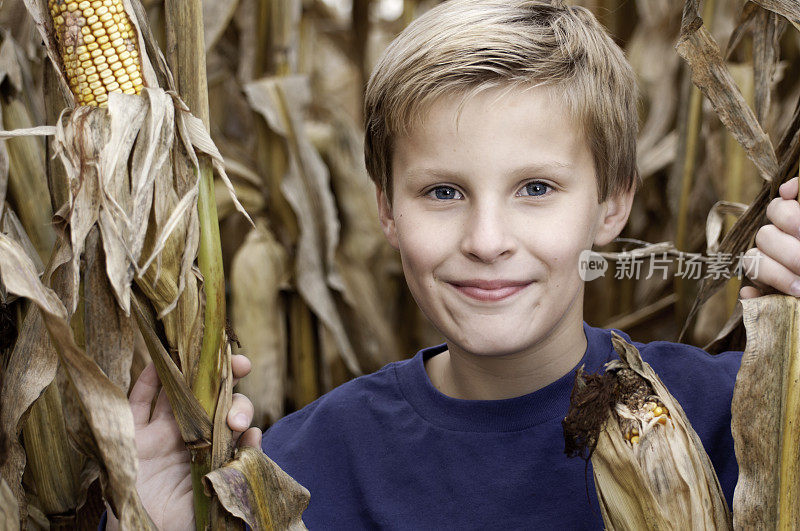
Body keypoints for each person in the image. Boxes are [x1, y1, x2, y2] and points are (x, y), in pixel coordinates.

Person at [105, 1, 800, 528]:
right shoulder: (309, 466)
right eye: (443, 191)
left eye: (535, 189)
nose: (487, 238)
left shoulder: (739, 415)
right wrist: (160, 516)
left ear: (613, 204)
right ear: (387, 209)